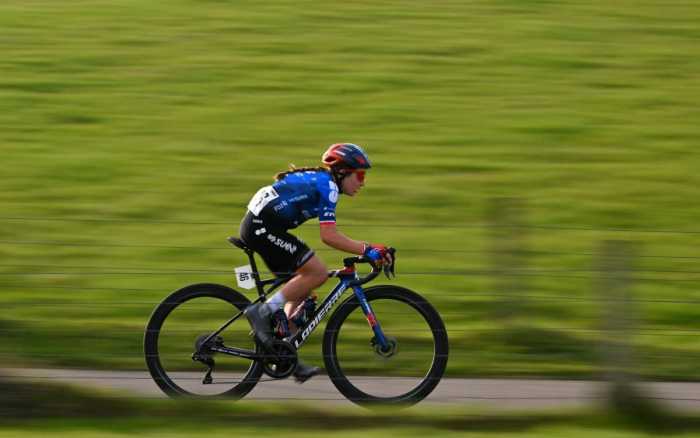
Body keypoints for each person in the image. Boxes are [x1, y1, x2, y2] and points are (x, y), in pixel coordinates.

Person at [239, 143, 393, 383]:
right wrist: (368, 250)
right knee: (318, 273)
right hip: (263, 227)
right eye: (360, 175)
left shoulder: (325, 182)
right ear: (343, 172)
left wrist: (369, 249)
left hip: (267, 226)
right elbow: (329, 236)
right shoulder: (328, 186)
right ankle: (262, 311)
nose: (362, 182)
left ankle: (285, 356)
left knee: (304, 292)